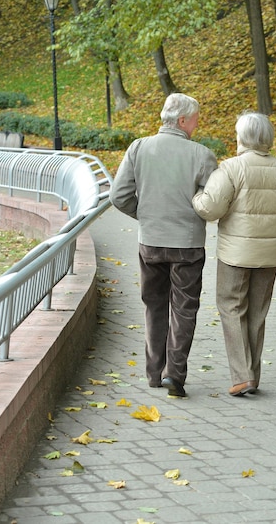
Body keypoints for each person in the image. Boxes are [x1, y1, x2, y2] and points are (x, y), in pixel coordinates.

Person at [110, 93, 218, 398]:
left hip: (151, 243)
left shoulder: (138, 148)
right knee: (184, 309)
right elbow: (213, 203)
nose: (198, 123)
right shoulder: (202, 155)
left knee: (154, 306)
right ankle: (175, 374)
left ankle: (154, 373)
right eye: (196, 118)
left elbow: (118, 197)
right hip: (188, 246)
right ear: (182, 121)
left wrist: (145, 216)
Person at [192, 111, 276, 396]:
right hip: (268, 257)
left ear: (242, 137)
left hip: (235, 256)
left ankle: (242, 377)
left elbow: (210, 208)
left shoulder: (230, 169)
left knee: (231, 308)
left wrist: (196, 197)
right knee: (257, 314)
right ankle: (252, 375)